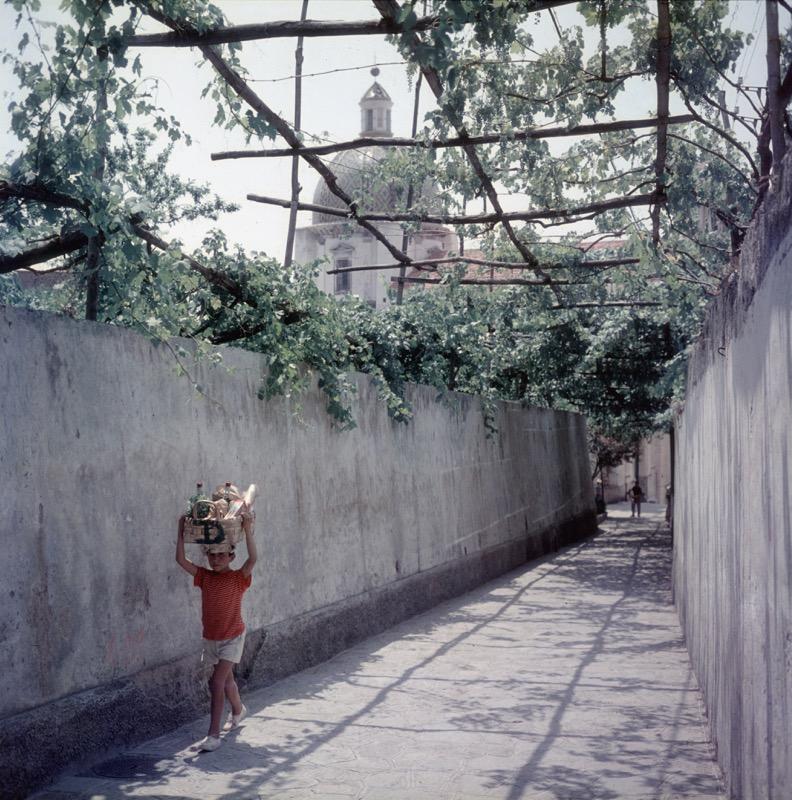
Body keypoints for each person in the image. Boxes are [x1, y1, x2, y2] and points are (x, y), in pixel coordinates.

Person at [176, 512, 257, 752]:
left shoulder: (238, 578)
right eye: (212, 555)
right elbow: (180, 559)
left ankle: (213, 734)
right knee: (228, 680)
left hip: (233, 636)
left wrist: (248, 528)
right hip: (211, 638)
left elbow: (253, 558)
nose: (217, 559)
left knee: (217, 681)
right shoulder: (204, 577)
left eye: (222, 555)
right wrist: (180, 529)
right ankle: (238, 709)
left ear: (231, 555)